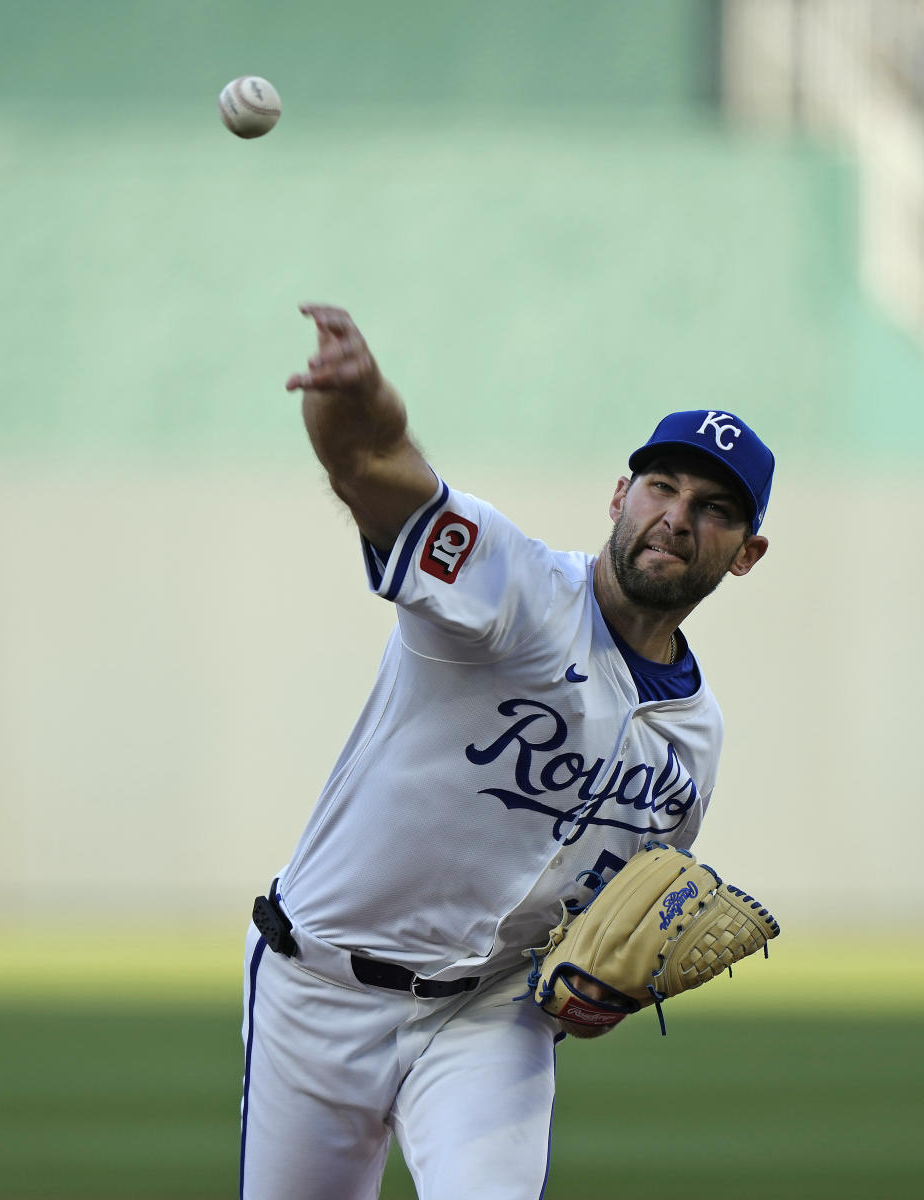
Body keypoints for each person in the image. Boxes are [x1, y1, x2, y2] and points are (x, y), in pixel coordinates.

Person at [239, 303, 773, 1200]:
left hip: (486, 1019)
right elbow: (372, 465)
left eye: (713, 509)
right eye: (663, 488)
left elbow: (614, 919)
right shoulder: (513, 588)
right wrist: (356, 398)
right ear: (619, 497)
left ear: (746, 554)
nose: (679, 517)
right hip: (318, 983)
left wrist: (599, 994)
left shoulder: (695, 742)